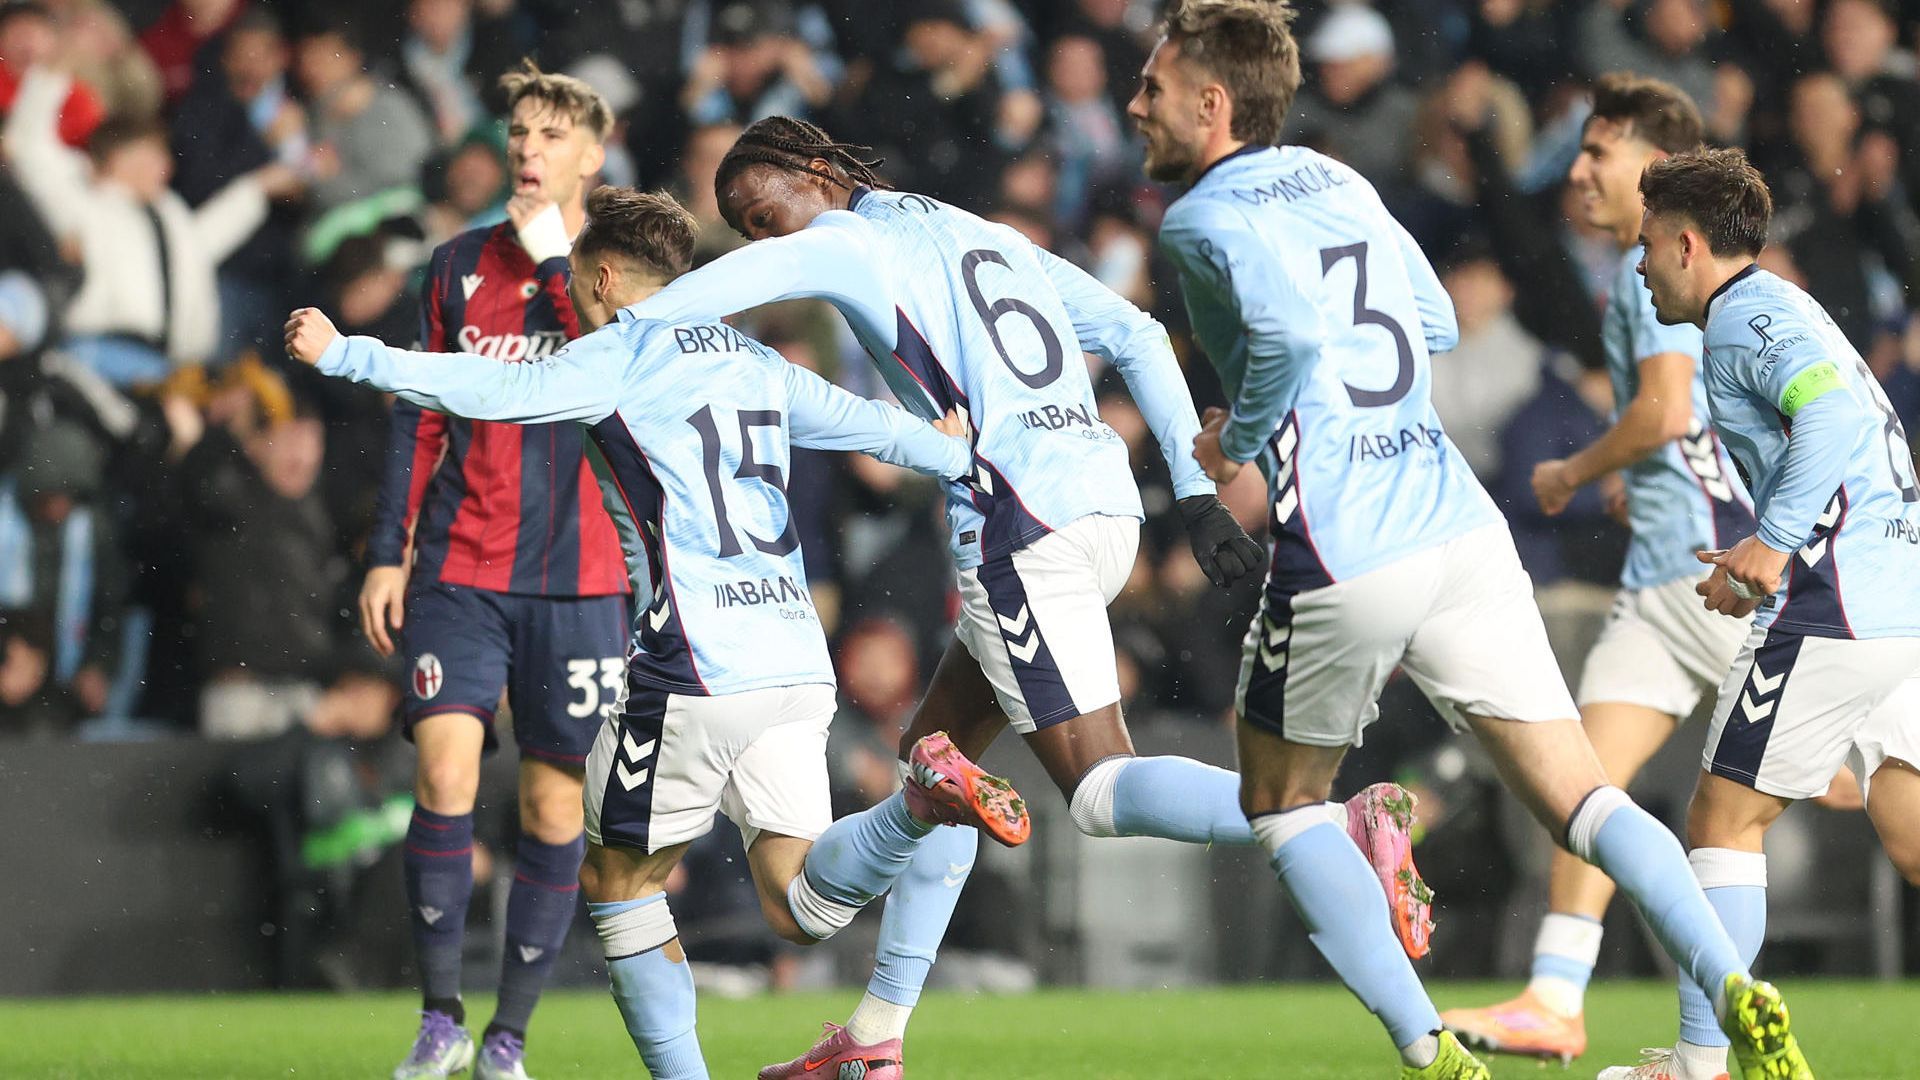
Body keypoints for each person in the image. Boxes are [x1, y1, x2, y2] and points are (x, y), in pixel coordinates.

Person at [625, 114, 1428, 1080]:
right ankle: (878, 1034)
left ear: (816, 170)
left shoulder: (841, 240)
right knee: (940, 764)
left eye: (766, 212)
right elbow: (1133, 329)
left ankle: (1334, 818)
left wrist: (630, 323)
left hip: (1018, 529)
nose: (768, 239)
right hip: (1101, 505)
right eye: (751, 228)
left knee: (1093, 787)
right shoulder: (983, 233)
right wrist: (1196, 491)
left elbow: (731, 288)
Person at [1130, 3, 1812, 1078]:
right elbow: (1438, 320)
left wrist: (1242, 438)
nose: (1136, 105)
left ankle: (1433, 1050)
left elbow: (1291, 333)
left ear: (1212, 105)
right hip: (1459, 526)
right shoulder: (1337, 182)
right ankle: (1730, 989)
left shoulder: (1198, 219)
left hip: (1350, 545)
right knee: (1586, 797)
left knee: (1277, 802)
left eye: (1154, 89)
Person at [287, 184, 1029, 1080]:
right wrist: (951, 450)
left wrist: (349, 355)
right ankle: (915, 806)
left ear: (603, 277)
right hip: (794, 659)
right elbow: (861, 423)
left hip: (694, 664)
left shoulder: (619, 354)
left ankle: (909, 814)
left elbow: (489, 386)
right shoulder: (754, 359)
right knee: (799, 903)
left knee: (615, 883)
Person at [1440, 73, 1754, 1065]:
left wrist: (1581, 466)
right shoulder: (1642, 273)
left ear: (1655, 171)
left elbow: (1665, 409)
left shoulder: (1658, 269)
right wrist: (1641, 476)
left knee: (1754, 819)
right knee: (1589, 799)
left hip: (1712, 585)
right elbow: (1694, 417)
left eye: (1598, 152)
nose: (1577, 170)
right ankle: (1558, 997)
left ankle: (1702, 1040)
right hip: (1663, 584)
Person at [1617, 145, 1920, 1080]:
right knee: (1912, 834)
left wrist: (1776, 543)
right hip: (1898, 595)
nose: (1637, 264)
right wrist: (1754, 555)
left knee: (1719, 821)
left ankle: (1701, 1067)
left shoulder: (1743, 317)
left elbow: (1830, 418)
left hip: (1837, 607)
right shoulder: (1785, 304)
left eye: (1644, 244)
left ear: (1685, 243)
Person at [358, 62, 627, 1080]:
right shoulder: (456, 266)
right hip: (464, 568)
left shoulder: (616, 276)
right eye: (519, 132)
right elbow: (420, 410)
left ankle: (508, 1040)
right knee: (444, 771)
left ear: (593, 155)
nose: (527, 150)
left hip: (584, 579)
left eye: (552, 135)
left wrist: (561, 259)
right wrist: (392, 549)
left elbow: (613, 378)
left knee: (556, 811)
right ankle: (439, 1020)